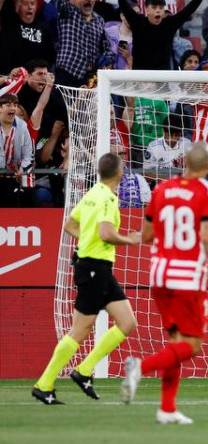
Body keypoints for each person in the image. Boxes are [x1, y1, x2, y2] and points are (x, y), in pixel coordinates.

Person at [121, 143, 208, 424]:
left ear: (184, 163)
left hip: (159, 275)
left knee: (175, 343)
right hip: (187, 278)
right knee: (192, 346)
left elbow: (147, 235)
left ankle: (167, 409)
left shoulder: (161, 189)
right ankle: (139, 367)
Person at [31, 153, 139, 405]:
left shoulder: (92, 193)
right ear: (119, 173)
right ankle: (44, 384)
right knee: (79, 330)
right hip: (93, 268)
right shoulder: (108, 198)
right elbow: (106, 233)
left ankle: (84, 370)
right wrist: (130, 239)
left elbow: (70, 225)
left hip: (98, 268)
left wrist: (87, 240)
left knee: (127, 322)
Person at [119, 0, 208, 70]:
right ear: (147, 10)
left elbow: (188, 10)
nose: (158, 10)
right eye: (154, 7)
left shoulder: (169, 24)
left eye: (161, 8)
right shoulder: (138, 22)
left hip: (163, 76)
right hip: (140, 75)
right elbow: (125, 8)